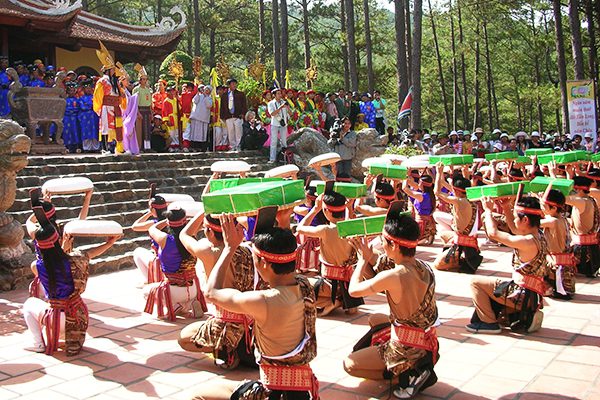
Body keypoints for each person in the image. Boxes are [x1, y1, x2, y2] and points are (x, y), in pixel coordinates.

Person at [190, 211, 319, 400]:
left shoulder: (263, 301)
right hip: (301, 392)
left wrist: (229, 248)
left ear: (264, 263)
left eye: (255, 258)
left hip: (274, 394)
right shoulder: (304, 285)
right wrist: (282, 221)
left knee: (199, 395)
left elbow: (211, 293)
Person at [343, 205, 439, 399]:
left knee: (350, 364)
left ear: (394, 246)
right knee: (376, 319)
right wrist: (368, 255)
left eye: (383, 240)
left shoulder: (394, 276)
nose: (381, 244)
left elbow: (353, 291)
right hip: (428, 344)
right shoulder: (424, 267)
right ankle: (415, 368)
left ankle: (406, 374)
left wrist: (361, 262)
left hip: (407, 350)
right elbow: (381, 265)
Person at [23, 207, 119, 355]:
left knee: (30, 304)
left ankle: (38, 343)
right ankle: (65, 335)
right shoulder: (76, 259)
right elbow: (89, 254)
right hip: (77, 317)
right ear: (58, 239)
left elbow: (52, 260)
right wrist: (108, 244)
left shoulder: (36, 266)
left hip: (56, 319)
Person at [177, 212, 257, 369]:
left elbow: (184, 234)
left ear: (209, 232)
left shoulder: (207, 252)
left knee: (183, 339)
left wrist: (204, 209)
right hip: (252, 325)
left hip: (227, 324)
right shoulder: (249, 250)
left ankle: (226, 351)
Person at [468, 195, 548, 334]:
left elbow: (493, 234)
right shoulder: (539, 235)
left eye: (517, 217)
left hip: (521, 295)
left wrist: (488, 211)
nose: (514, 220)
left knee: (475, 282)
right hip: (531, 295)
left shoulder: (527, 242)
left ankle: (488, 323)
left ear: (525, 220)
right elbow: (515, 230)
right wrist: (506, 208)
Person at [297, 187, 364, 315]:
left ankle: (334, 301)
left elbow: (300, 228)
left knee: (297, 283)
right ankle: (341, 301)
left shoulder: (325, 230)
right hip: (348, 283)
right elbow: (349, 219)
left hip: (329, 285)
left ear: (326, 210)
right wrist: (349, 207)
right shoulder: (350, 228)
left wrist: (315, 209)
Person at [143, 208, 207, 320]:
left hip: (173, 290)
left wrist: (166, 220)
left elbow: (152, 228)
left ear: (169, 222)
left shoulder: (164, 239)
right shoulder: (191, 236)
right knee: (187, 291)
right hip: (193, 288)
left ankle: (175, 306)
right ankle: (190, 302)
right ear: (185, 221)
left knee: (146, 292)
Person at [432, 165, 482, 273]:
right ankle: (453, 256)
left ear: (458, 191)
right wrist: (464, 172)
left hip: (464, 241)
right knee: (441, 234)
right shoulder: (470, 197)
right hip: (464, 236)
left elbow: (437, 192)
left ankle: (456, 259)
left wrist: (439, 172)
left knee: (437, 265)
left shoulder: (460, 201)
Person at [539, 188, 575, 299]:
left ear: (554, 208)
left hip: (555, 266)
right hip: (563, 264)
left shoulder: (552, 221)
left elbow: (531, 223)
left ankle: (552, 288)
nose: (542, 209)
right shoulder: (563, 219)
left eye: (544, 207)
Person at [93, 41, 127, 154]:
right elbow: (97, 96)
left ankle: (117, 148)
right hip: (106, 106)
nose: (114, 71)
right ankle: (104, 148)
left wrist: (122, 96)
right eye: (112, 69)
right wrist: (98, 108)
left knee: (117, 127)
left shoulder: (114, 82)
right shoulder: (102, 81)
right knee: (105, 128)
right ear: (108, 69)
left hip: (115, 106)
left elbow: (120, 94)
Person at [402, 175, 436, 244]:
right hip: (429, 222)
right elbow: (415, 186)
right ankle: (428, 236)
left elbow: (404, 188)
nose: (418, 184)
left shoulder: (421, 196)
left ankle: (422, 237)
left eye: (419, 182)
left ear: (423, 184)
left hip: (422, 223)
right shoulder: (430, 195)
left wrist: (404, 179)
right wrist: (408, 177)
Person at [220, 78, 247, 151]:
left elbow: (244, 105)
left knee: (238, 132)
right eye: (232, 84)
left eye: (235, 83)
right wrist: (222, 116)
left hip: (238, 116)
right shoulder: (224, 95)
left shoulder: (240, 94)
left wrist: (243, 113)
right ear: (229, 85)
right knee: (230, 132)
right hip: (228, 116)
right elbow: (222, 106)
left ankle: (238, 146)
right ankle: (232, 146)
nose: (234, 85)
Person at [185, 84, 213, 151]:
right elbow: (194, 101)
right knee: (194, 134)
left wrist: (206, 97)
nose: (206, 91)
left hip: (203, 119)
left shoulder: (209, 98)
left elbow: (209, 105)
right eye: (205, 89)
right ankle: (194, 146)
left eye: (208, 90)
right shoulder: (198, 96)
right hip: (196, 117)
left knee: (202, 135)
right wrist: (198, 93)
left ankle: (202, 147)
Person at [133, 64, 153, 151]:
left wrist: (151, 113)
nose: (144, 81)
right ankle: (139, 147)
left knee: (147, 129)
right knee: (139, 129)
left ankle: (147, 147)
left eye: (145, 79)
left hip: (147, 110)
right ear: (140, 80)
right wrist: (137, 112)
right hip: (139, 110)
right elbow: (134, 103)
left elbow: (150, 103)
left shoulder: (148, 89)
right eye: (143, 79)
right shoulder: (136, 89)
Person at [267, 88, 290, 164]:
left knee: (284, 142)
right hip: (275, 124)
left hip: (283, 124)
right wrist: (281, 107)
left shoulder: (284, 102)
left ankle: (284, 158)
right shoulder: (271, 103)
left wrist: (288, 108)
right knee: (273, 141)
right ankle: (272, 159)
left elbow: (290, 113)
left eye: (280, 93)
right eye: (278, 94)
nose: (280, 95)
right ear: (274, 95)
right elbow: (272, 114)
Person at [78, 79, 101, 152]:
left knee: (94, 132)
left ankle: (95, 147)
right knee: (86, 132)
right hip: (85, 117)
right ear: (84, 89)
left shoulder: (94, 97)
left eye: (89, 88)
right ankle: (86, 148)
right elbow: (82, 106)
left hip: (94, 117)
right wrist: (90, 106)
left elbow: (97, 105)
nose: (88, 90)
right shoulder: (81, 98)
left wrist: (90, 106)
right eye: (86, 88)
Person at [62, 82, 81, 153]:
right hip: (67, 118)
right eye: (70, 90)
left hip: (75, 118)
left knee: (75, 131)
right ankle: (66, 146)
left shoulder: (77, 100)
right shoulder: (64, 100)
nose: (72, 92)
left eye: (73, 90)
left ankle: (76, 146)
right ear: (67, 91)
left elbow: (79, 108)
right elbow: (63, 109)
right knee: (67, 132)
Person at [162, 86, 181, 152]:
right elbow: (164, 112)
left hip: (176, 118)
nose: (172, 92)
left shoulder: (175, 100)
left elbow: (179, 108)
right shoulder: (166, 101)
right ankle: (171, 146)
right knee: (171, 133)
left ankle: (176, 145)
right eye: (170, 91)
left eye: (173, 91)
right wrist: (166, 120)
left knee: (176, 133)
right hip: (170, 118)